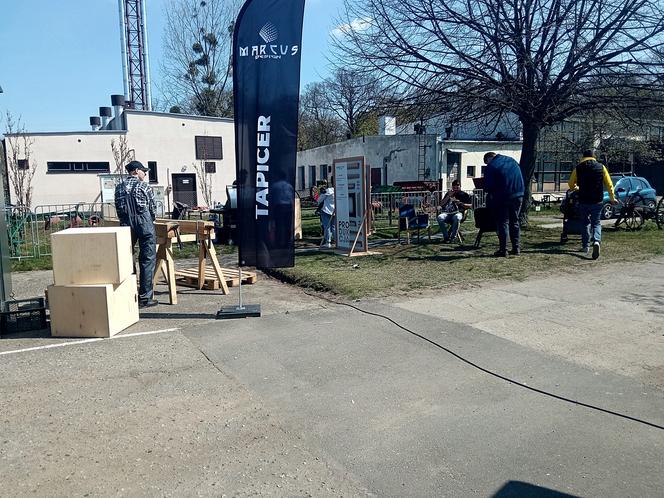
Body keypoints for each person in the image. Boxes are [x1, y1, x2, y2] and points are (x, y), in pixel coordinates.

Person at [114, 160, 158, 308]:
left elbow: (118, 210)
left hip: (126, 225)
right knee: (147, 259)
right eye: (143, 171)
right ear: (135, 171)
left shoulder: (119, 188)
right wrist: (150, 221)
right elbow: (152, 209)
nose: (145, 174)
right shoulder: (144, 186)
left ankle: (129, 293)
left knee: (127, 259)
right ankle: (145, 297)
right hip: (144, 223)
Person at [568, 149, 616, 259]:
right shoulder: (601, 167)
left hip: (583, 200)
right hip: (597, 200)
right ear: (594, 156)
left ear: (583, 156)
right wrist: (612, 198)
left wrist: (576, 188)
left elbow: (571, 183)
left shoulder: (578, 168)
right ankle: (596, 241)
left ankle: (585, 246)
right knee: (596, 223)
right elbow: (609, 184)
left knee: (585, 223)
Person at [483, 152, 525, 257]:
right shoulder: (511, 160)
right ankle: (516, 248)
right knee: (515, 221)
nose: (487, 164)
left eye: (486, 162)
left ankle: (503, 249)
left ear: (488, 159)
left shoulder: (492, 166)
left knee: (503, 222)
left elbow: (488, 186)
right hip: (518, 194)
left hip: (502, 197)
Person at [317, 178, 335, 248]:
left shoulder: (329, 190)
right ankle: (337, 241)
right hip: (334, 211)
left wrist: (321, 193)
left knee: (327, 226)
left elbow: (319, 200)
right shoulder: (340, 189)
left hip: (326, 210)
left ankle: (328, 242)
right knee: (334, 227)